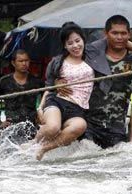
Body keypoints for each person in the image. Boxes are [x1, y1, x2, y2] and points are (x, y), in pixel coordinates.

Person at [82, 15, 132, 149]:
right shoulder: (91, 56)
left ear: (129, 34)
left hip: (116, 128)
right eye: (115, 33)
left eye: (123, 33)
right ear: (106, 33)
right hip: (89, 126)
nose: (119, 37)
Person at [35, 22, 94, 160]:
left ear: (83, 40)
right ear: (65, 46)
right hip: (57, 102)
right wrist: (40, 108)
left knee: (80, 125)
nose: (75, 46)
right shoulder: (57, 62)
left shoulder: (93, 57)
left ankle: (43, 149)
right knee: (52, 128)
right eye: (70, 43)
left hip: (77, 109)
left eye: (78, 41)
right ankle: (33, 143)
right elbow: (48, 87)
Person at [0, 49, 44, 130]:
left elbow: (48, 97)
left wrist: (42, 115)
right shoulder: (4, 81)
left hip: (31, 126)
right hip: (11, 128)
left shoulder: (36, 81)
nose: (24, 64)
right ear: (13, 63)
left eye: (26, 60)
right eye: (20, 61)